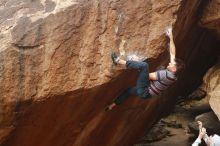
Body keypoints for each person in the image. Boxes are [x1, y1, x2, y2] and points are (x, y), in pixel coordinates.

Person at [105, 27, 183, 111]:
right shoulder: (173, 75)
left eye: (171, 63)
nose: (169, 62)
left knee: (144, 66)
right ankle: (112, 106)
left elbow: (148, 76)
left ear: (174, 69)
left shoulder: (166, 74)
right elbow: (172, 53)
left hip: (144, 90)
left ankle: (117, 61)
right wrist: (171, 36)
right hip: (147, 94)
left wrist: (140, 69)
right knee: (128, 91)